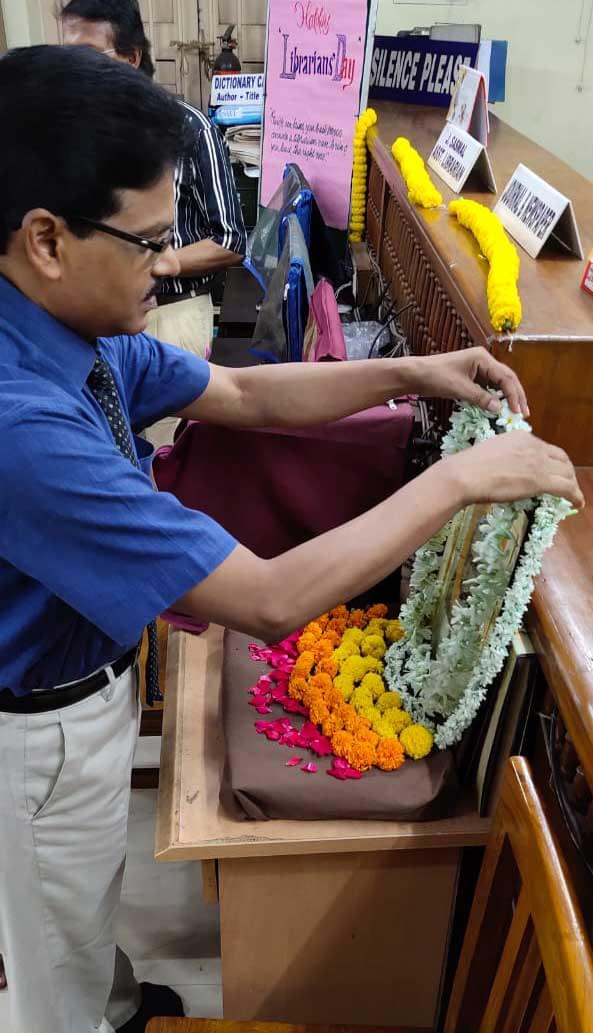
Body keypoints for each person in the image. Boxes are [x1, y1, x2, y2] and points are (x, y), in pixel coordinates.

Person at [0, 43, 582, 1033]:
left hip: (81, 690)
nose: (170, 262)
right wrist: (459, 478)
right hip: (36, 731)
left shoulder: (64, 323)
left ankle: (115, 1000)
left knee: (77, 907)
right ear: (47, 239)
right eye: (147, 242)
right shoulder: (22, 422)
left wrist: (414, 374)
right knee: (48, 955)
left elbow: (237, 390)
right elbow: (267, 598)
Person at [61, 0, 247, 360]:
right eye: (67, 56)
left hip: (171, 314)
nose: (73, 69)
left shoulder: (190, 129)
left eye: (87, 54)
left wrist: (166, 261)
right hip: (92, 321)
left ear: (131, 57)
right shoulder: (72, 134)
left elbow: (231, 239)